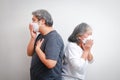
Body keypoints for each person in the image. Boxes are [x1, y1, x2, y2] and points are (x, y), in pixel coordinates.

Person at [27, 9, 64, 80]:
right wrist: (32, 38)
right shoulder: (40, 35)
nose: (31, 23)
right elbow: (29, 53)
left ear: (42, 21)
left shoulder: (54, 38)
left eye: (34, 20)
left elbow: (50, 64)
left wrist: (38, 50)